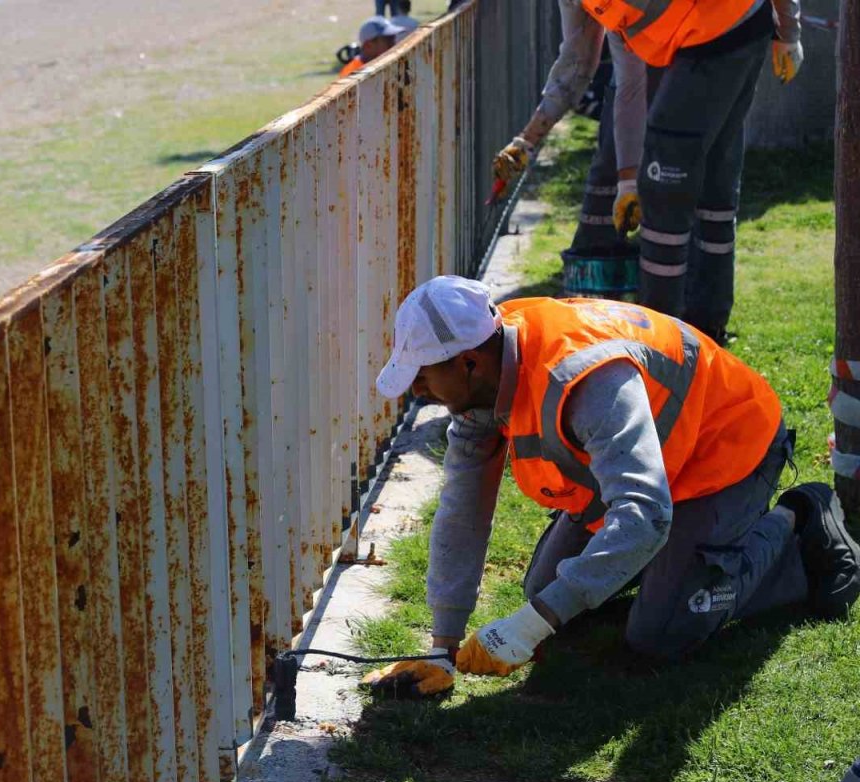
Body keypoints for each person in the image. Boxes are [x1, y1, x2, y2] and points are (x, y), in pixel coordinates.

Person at [362, 276, 859, 698]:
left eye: (422, 375)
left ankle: (798, 521)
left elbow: (644, 514)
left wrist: (533, 623)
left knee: (659, 634)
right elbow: (462, 509)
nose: (417, 390)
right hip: (652, 463)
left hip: (725, 451)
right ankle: (669, 566)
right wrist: (442, 648)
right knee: (545, 592)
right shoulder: (485, 369)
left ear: (468, 362)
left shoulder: (586, 378)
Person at [581, 0, 805, 344]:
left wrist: (789, 29)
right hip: (737, 30)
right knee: (715, 184)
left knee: (663, 184)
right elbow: (629, 82)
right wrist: (627, 179)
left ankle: (659, 338)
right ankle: (705, 326)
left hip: (715, 36)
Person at [492, 1, 649, 254]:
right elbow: (577, 60)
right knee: (611, 162)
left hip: (692, 58)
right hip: (636, 72)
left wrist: (629, 182)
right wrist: (526, 141)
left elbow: (633, 83)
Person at [339, 16, 405, 77]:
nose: (394, 44)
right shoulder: (352, 73)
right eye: (388, 40)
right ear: (368, 45)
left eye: (393, 39)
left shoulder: (386, 64)